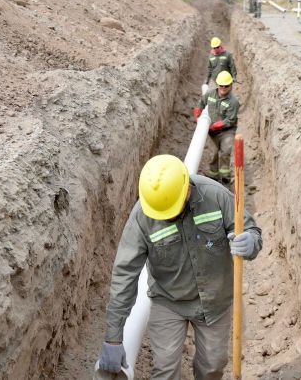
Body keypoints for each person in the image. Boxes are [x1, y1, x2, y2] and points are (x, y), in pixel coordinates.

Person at [98, 154, 263, 380]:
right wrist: (113, 337)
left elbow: (251, 231)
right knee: (165, 370)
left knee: (212, 367)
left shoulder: (216, 196)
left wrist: (251, 242)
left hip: (215, 300)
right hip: (168, 301)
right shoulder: (143, 216)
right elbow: (124, 274)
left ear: (187, 189)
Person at [193, 71, 239, 183]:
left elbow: (230, 120)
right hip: (212, 130)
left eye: (226, 86)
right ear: (217, 84)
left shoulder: (233, 102)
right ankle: (213, 175)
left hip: (226, 131)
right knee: (213, 153)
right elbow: (201, 103)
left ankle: (225, 176)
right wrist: (198, 112)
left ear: (231, 85)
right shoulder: (210, 94)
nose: (223, 88)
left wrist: (217, 125)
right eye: (221, 85)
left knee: (225, 151)